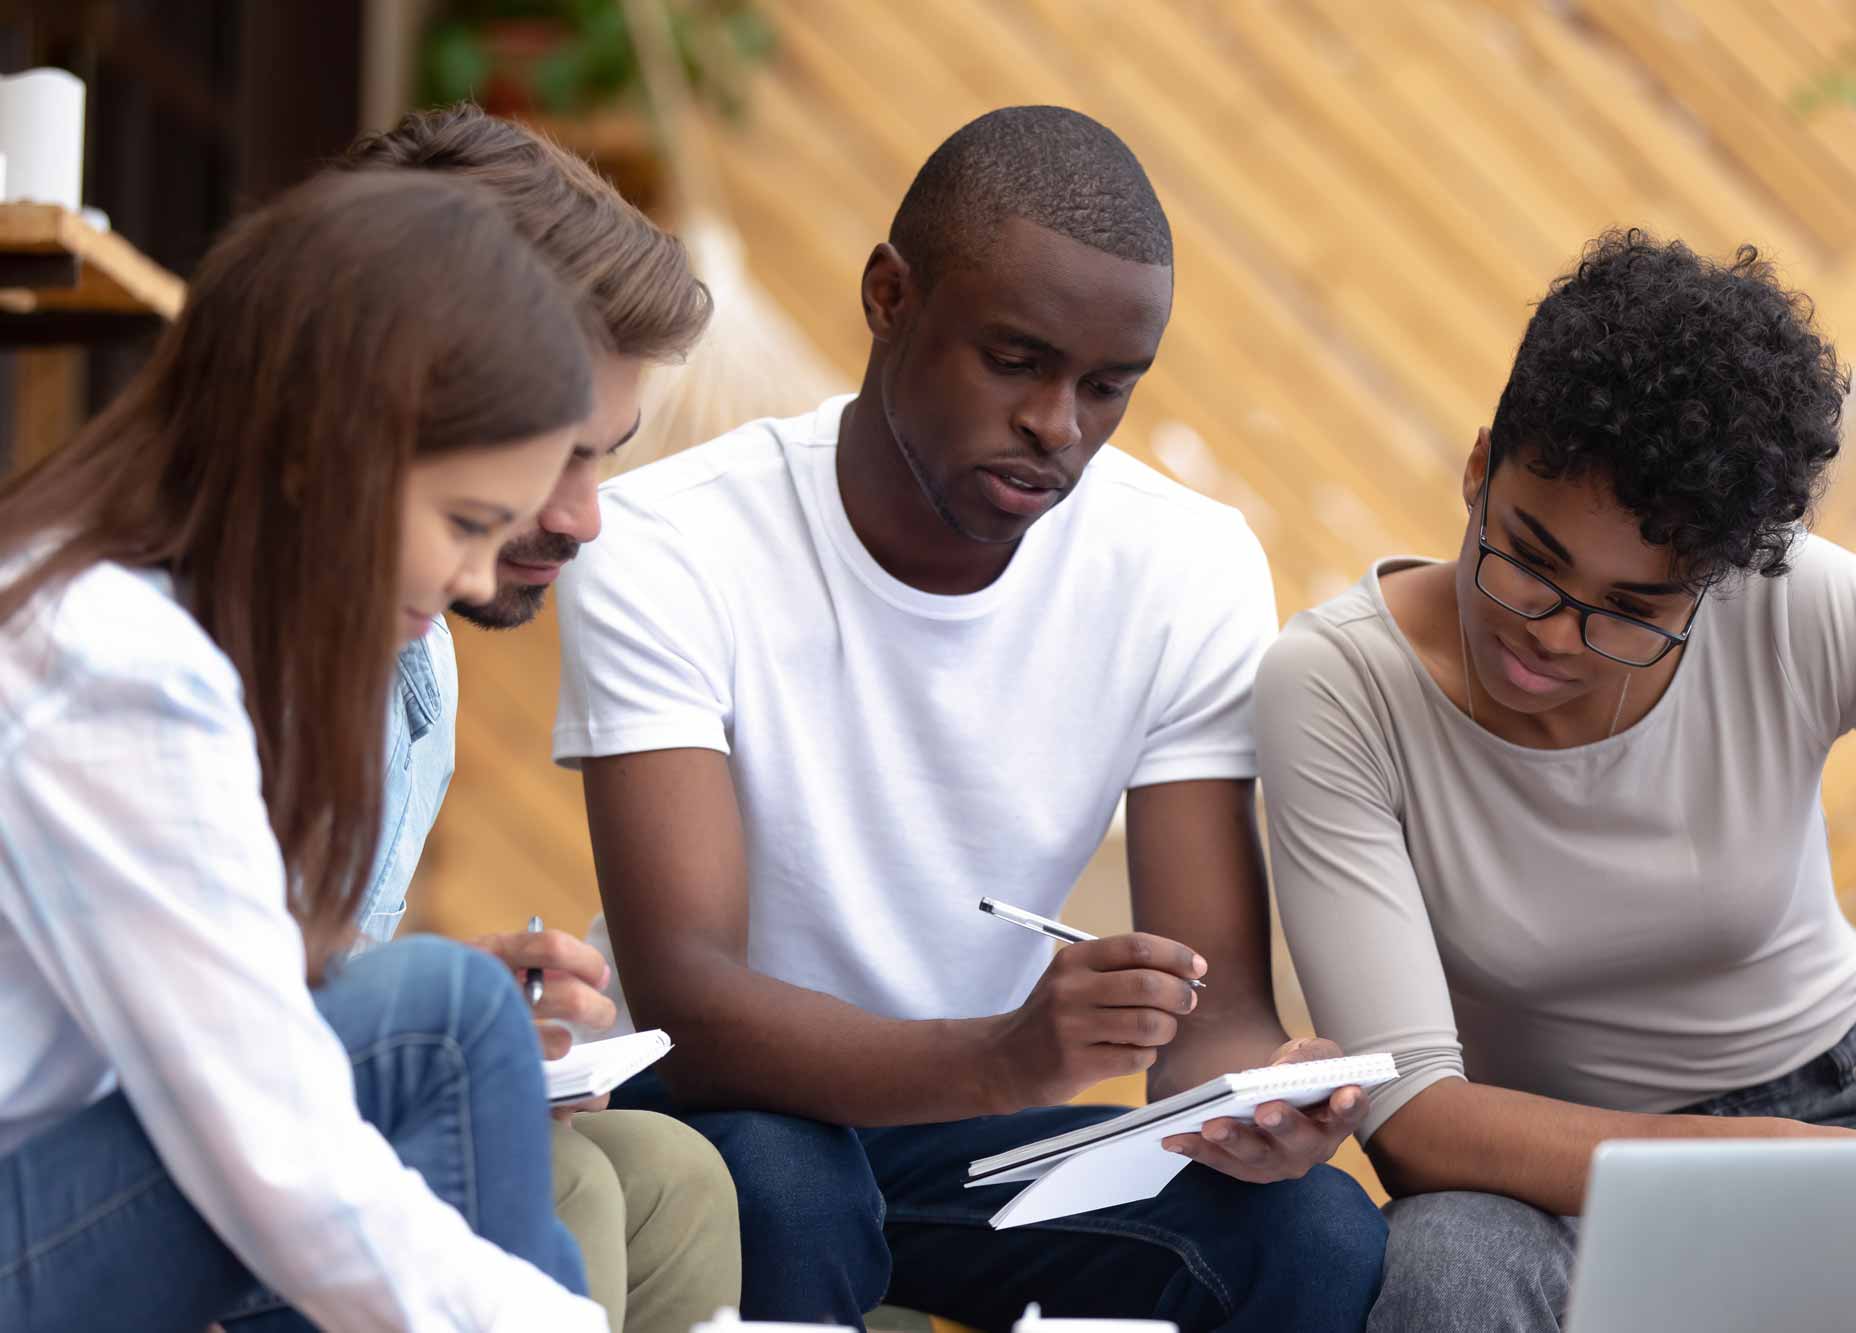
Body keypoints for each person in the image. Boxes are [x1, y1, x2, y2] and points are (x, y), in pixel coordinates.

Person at [554, 105, 1387, 1331]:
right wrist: (1008, 1055)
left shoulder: (1184, 567)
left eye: (1106, 386)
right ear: (889, 297)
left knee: (1310, 1235)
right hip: (725, 1113)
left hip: (966, 1134)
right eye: (1014, 361)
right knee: (789, 1188)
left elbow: (1208, 1024)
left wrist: (1261, 1102)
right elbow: (691, 1003)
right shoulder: (667, 544)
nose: (1059, 424)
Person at [1254, 229, 1856, 1333]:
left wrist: (1824, 1168)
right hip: (1556, 1184)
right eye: (1528, 560)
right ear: (1478, 469)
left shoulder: (1788, 602)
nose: (1552, 636)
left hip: (1853, 1110)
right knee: (1444, 1276)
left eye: (1633, 610)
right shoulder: (1338, 688)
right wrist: (1777, 1173)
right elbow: (1413, 1118)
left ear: (1711, 582)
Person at [0, 171, 609, 1330]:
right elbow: (283, 1155)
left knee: (449, 1027)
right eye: (466, 523)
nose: (475, 577)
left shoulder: (149, 620)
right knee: (439, 1018)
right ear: (317, 455)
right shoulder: (112, 661)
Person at [328, 104, 741, 1333]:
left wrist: (466, 1003)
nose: (582, 517)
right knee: (563, 1184)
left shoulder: (421, 664)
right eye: (554, 453)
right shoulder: (181, 642)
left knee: (673, 1176)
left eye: (602, 457)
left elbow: (304, 977)